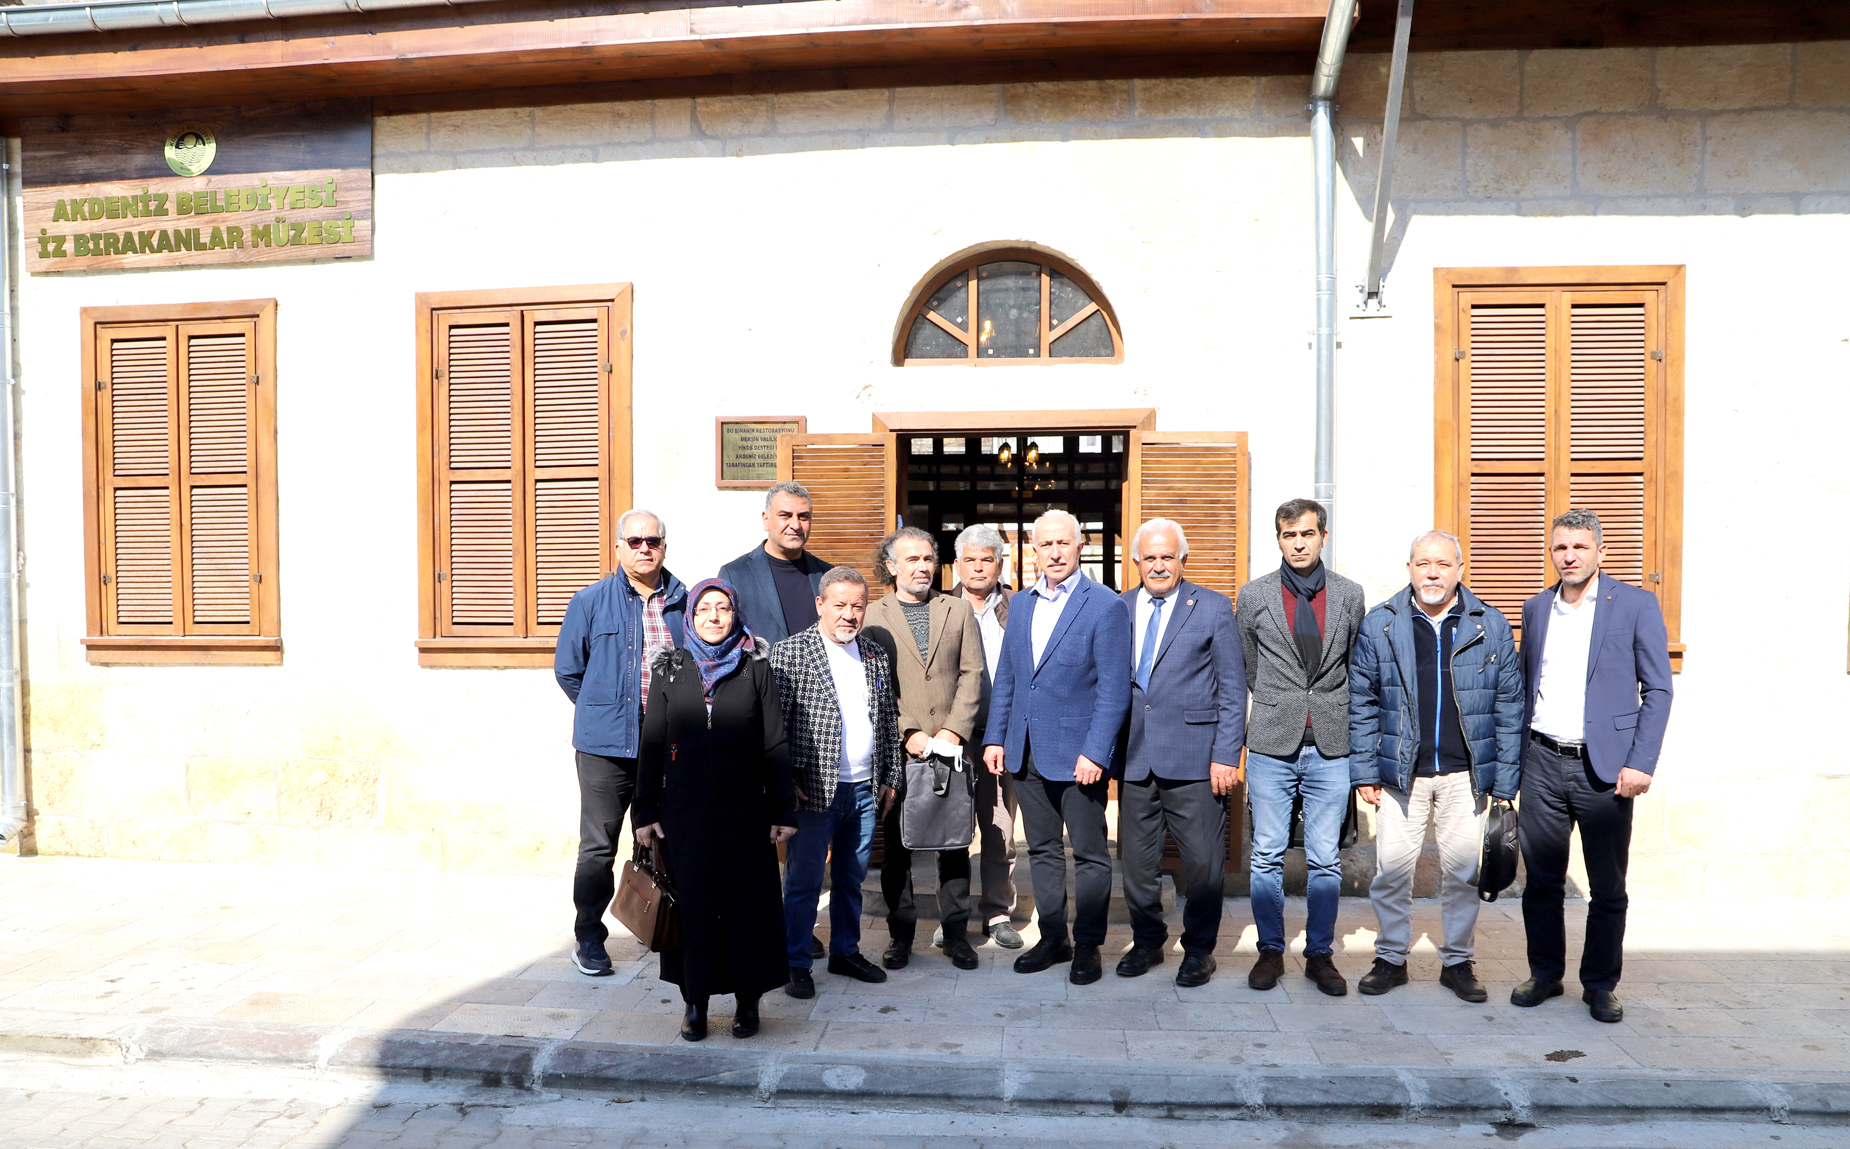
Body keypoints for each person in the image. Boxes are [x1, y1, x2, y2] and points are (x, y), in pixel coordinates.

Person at [1512, 509, 1672, 1024]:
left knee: (1607, 887)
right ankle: (1545, 974)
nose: (1570, 556)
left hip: (1605, 769)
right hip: (1541, 760)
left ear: (1601, 551)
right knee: (1541, 881)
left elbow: (1659, 689)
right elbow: (1526, 685)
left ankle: (1601, 985)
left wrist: (1640, 762)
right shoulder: (1537, 608)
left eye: (1580, 547)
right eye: (1561, 547)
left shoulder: (1636, 605)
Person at [1349, 530, 1523, 1003]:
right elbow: (1362, 701)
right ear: (1409, 569)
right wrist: (1365, 771)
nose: (1432, 573)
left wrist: (1505, 780)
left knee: (1463, 875)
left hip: (1466, 775)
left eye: (1443, 564)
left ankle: (1458, 962)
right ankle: (1391, 958)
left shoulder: (1489, 624)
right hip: (1400, 775)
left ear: (1460, 570)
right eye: (1423, 563)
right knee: (1391, 874)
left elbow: (1510, 705)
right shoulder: (1381, 623)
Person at [632, 580, 796, 1041]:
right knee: (694, 908)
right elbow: (653, 743)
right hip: (683, 815)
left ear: (735, 614)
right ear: (690, 616)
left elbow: (774, 741)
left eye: (723, 608)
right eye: (704, 609)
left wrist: (782, 809)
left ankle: (748, 1000)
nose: (713, 617)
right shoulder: (671, 668)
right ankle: (695, 1002)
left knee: (747, 907)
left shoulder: (754, 666)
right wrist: (644, 811)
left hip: (746, 812)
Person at [982, 510, 1132, 984]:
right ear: (1033, 550)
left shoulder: (1105, 605)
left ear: (1080, 545)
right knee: (1042, 851)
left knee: (1089, 855)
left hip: (1079, 758)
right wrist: (996, 736)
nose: (1054, 552)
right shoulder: (1021, 604)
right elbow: (1008, 676)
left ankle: (1087, 945)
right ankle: (1053, 939)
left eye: (1063, 543)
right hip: (1025, 751)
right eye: (1045, 544)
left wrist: (1097, 752)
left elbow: (1114, 690)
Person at [1235, 498, 1365, 996]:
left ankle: (1319, 955)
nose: (1298, 544)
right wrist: (1282, 704)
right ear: (1279, 539)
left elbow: (1356, 664)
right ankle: (1270, 951)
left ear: (1323, 536)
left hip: (1332, 745)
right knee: (1266, 854)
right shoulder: (1254, 595)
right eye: (1289, 535)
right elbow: (1251, 666)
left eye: (1307, 534)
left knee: (1325, 859)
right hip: (1272, 743)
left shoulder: (1349, 595)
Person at [553, 510, 687, 978]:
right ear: (618, 547)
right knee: (598, 847)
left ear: (664, 547)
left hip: (668, 747)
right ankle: (589, 937)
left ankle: (662, 926)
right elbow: (569, 671)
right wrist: (608, 712)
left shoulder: (686, 601)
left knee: (665, 840)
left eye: (653, 540)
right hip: (605, 748)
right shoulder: (590, 601)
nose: (644, 548)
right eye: (634, 541)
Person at [1115, 519, 1245, 987]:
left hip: (1196, 758)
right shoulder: (1119, 607)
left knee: (1203, 865)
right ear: (1136, 562)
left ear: (1182, 560)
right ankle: (1147, 941)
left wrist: (1226, 754)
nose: (1158, 565)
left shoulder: (1212, 606)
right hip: (1134, 756)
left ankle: (1199, 951)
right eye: (1149, 557)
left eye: (1167, 556)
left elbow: (1233, 688)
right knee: (1137, 865)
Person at [771, 566, 905, 998]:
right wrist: (783, 783)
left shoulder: (874, 654)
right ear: (820, 605)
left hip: (864, 789)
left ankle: (846, 952)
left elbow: (887, 720)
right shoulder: (790, 653)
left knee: (851, 878)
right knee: (804, 882)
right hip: (812, 791)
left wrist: (890, 776)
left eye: (858, 606)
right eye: (840, 605)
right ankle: (794, 962)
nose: (849, 614)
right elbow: (774, 728)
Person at [863, 528, 986, 971]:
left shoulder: (957, 609)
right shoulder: (872, 615)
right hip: (901, 751)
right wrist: (907, 732)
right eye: (912, 559)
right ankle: (900, 937)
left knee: (954, 846)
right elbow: (874, 683)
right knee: (898, 850)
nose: (922, 567)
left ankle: (956, 935)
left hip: (951, 750)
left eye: (928, 558)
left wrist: (954, 730)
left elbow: (973, 673)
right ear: (891, 566)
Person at [950, 524, 1022, 950]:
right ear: (957, 565)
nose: (978, 567)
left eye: (987, 559)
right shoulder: (940, 607)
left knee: (999, 831)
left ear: (1000, 564)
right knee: (951, 833)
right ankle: (952, 916)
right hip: (953, 738)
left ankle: (997, 913)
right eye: (970, 560)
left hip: (1001, 736)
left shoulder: (1021, 606)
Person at [720, 481, 832, 645]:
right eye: (785, 515)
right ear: (766, 520)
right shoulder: (735, 575)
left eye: (803, 516)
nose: (795, 525)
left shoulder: (826, 574)